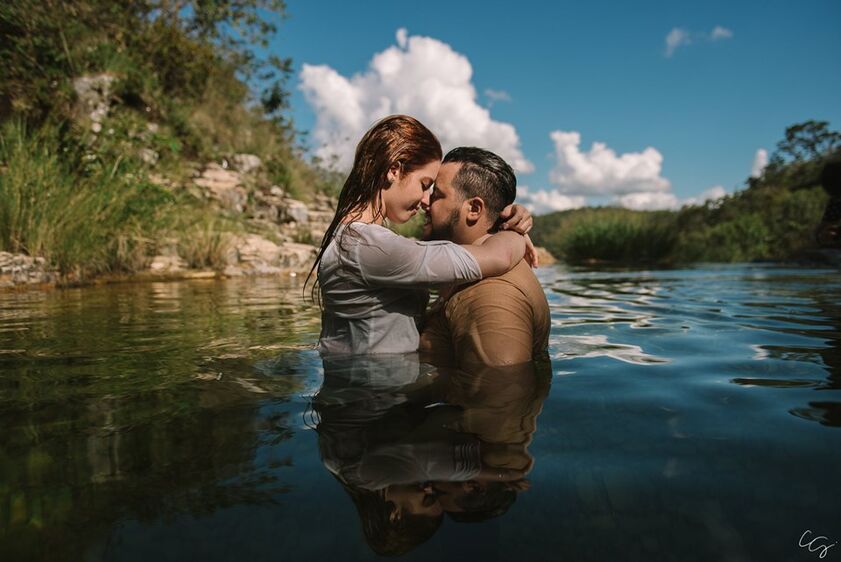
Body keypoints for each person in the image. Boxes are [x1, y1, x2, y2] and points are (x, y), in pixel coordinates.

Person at [311, 115, 534, 356]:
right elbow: (497, 257)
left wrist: (501, 215)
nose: (425, 199)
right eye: (424, 184)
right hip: (373, 392)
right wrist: (515, 233)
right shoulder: (368, 246)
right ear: (394, 170)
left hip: (367, 388)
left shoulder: (361, 241)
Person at [418, 147, 551, 369]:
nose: (425, 202)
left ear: (474, 209)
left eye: (437, 195)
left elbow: (502, 398)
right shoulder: (466, 272)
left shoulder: (491, 291)